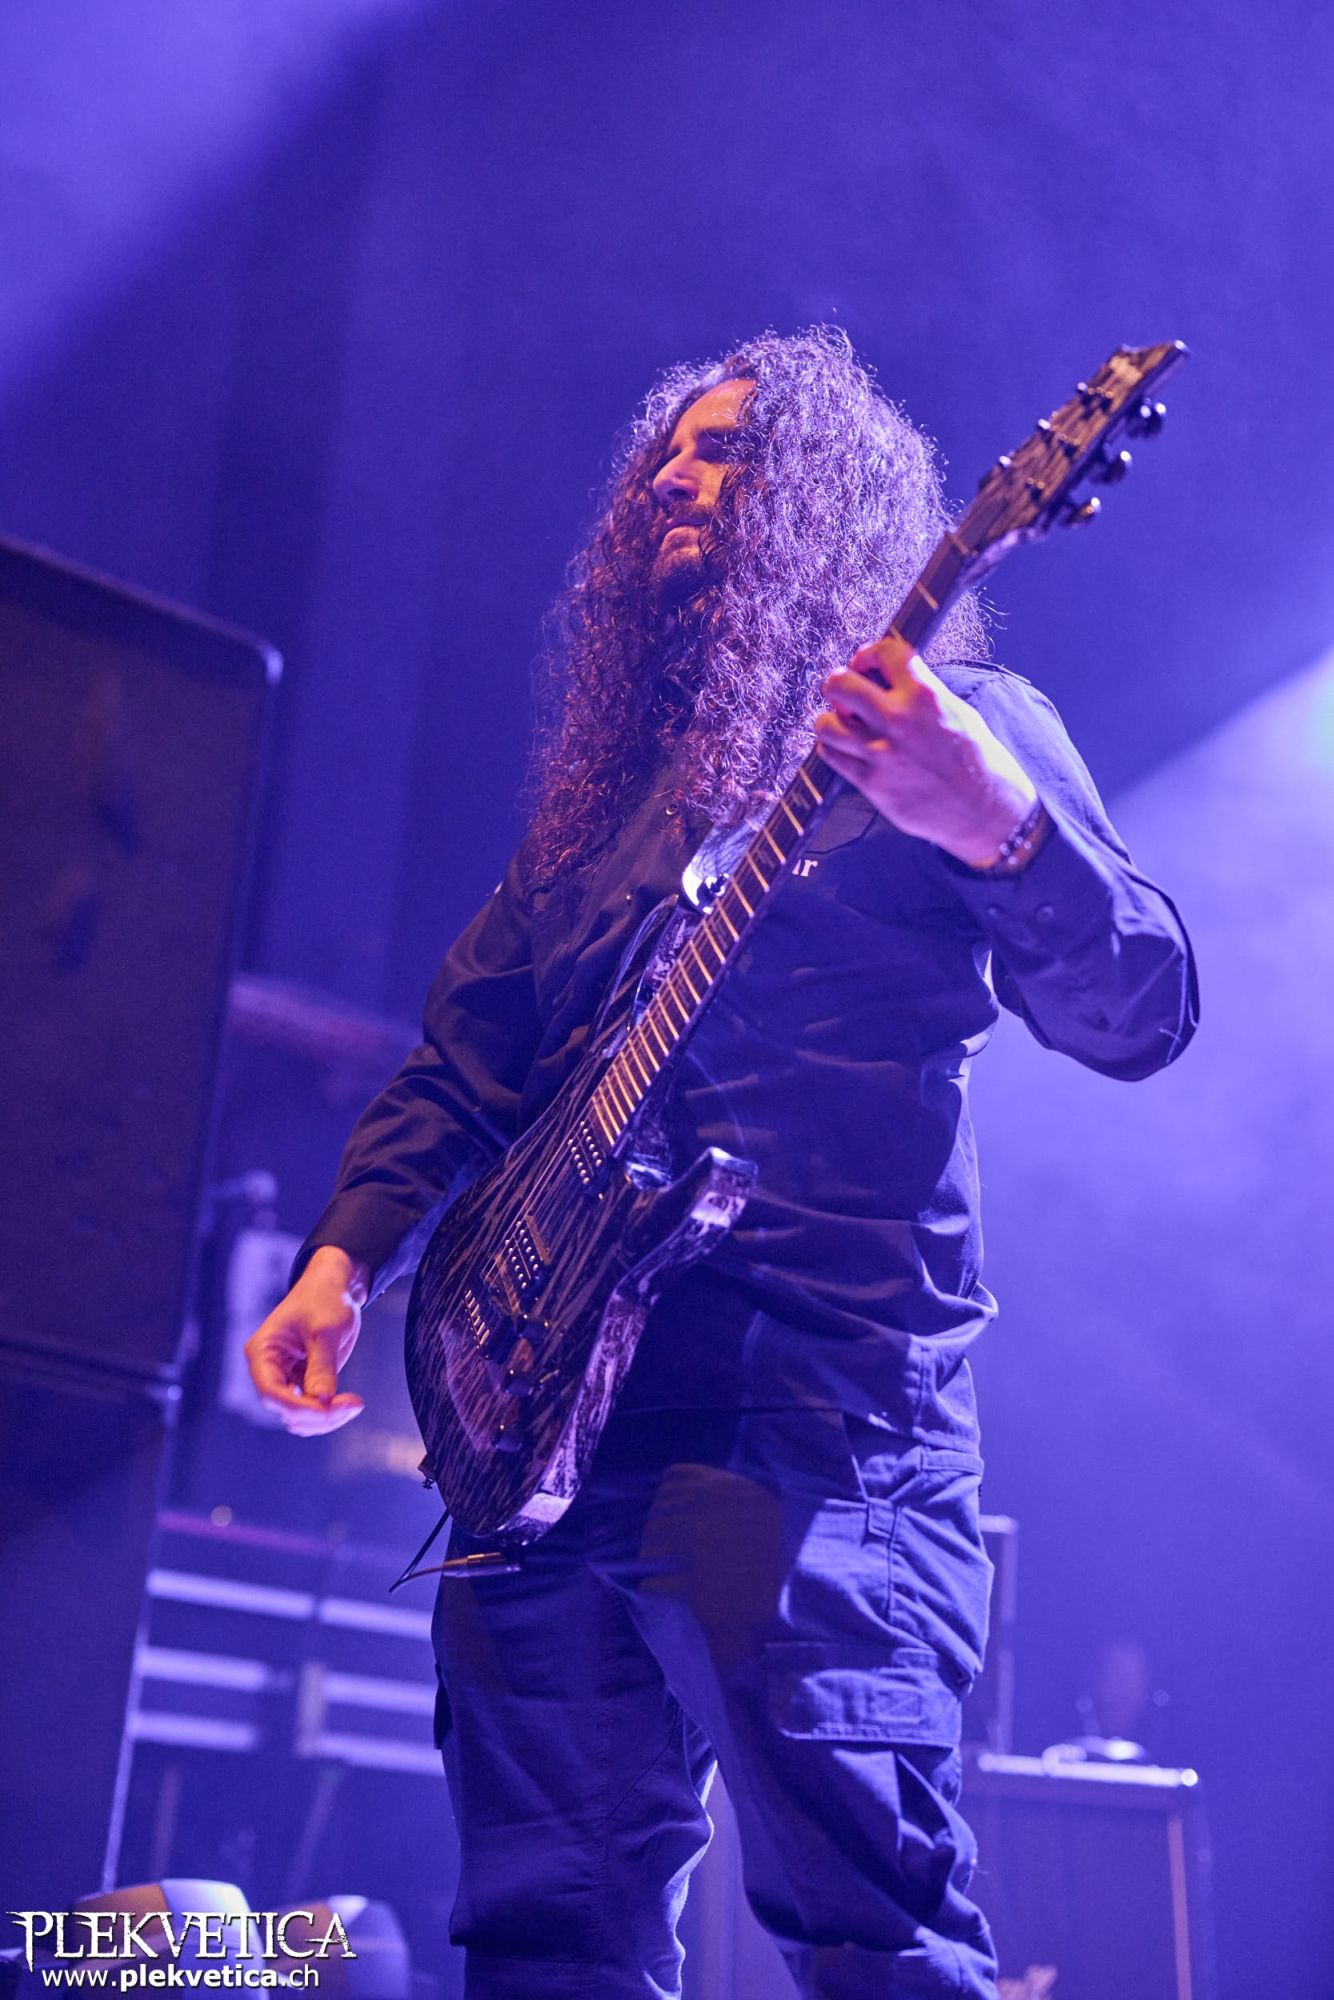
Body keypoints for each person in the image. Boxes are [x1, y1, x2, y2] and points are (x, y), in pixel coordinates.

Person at [245, 329, 1197, 2000]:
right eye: (663, 455)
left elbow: (1141, 1008)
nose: (673, 478)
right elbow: (464, 1058)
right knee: (542, 1941)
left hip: (808, 1431)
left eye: (725, 451)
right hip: (538, 1443)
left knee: (869, 1938)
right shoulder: (610, 813)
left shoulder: (960, 727)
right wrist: (340, 1259)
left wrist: (991, 821)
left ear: (822, 499)